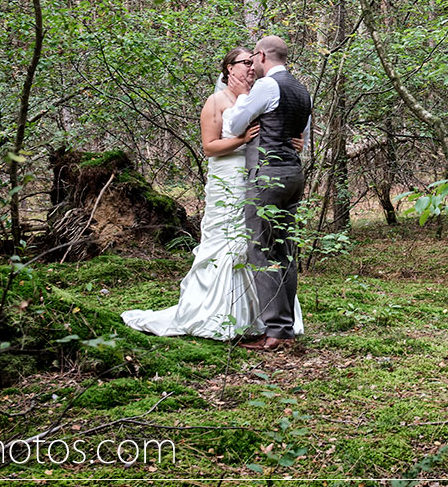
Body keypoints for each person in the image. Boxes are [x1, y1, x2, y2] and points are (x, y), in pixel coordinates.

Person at [121, 48, 303, 341]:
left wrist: (292, 141)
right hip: (227, 176)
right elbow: (209, 146)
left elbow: (280, 130)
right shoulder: (215, 101)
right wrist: (241, 139)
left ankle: (260, 317)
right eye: (245, 62)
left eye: (253, 62)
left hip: (255, 177)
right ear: (229, 68)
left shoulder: (261, 96)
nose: (251, 67)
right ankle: (218, 314)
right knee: (226, 242)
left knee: (254, 243)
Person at [226, 35, 312, 352]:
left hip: (268, 175)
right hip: (294, 173)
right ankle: (284, 328)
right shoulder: (302, 90)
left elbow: (235, 124)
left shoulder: (267, 86)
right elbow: (302, 136)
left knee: (260, 250)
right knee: (285, 251)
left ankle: (275, 331)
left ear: (261, 55)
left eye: (253, 58)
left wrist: (240, 99)